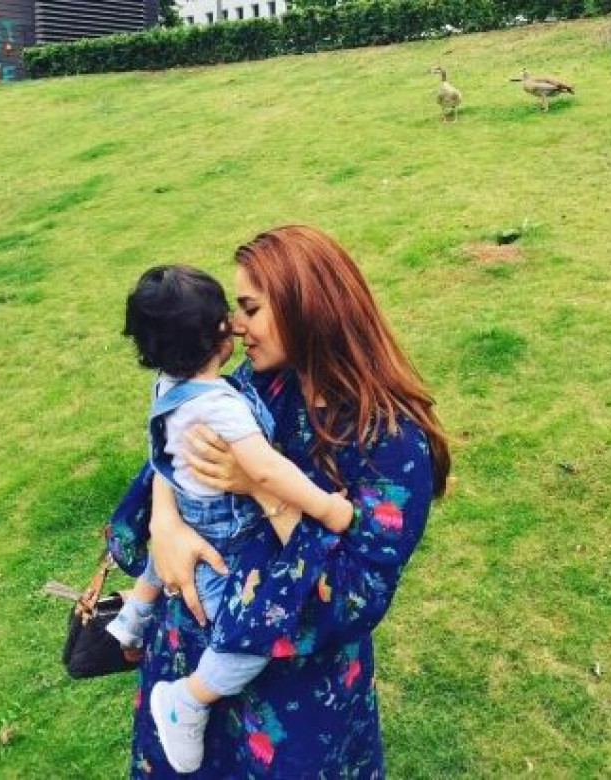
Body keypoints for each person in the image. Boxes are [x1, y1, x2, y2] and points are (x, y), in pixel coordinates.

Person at [129, 225, 451, 778]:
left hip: (292, 694)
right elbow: (180, 436)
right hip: (189, 659)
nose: (234, 326)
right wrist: (165, 523)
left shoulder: (391, 444)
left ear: (307, 309)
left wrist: (263, 489)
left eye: (250, 309)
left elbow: (353, 597)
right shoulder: (265, 381)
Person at [108, 264, 353, 773]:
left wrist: (168, 516)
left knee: (162, 569)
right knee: (250, 633)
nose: (239, 326)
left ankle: (133, 618)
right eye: (232, 313)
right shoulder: (223, 402)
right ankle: (187, 700)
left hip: (193, 516)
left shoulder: (168, 385)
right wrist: (328, 507)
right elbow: (264, 469)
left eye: (249, 309)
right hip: (223, 542)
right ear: (214, 336)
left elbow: (165, 457)